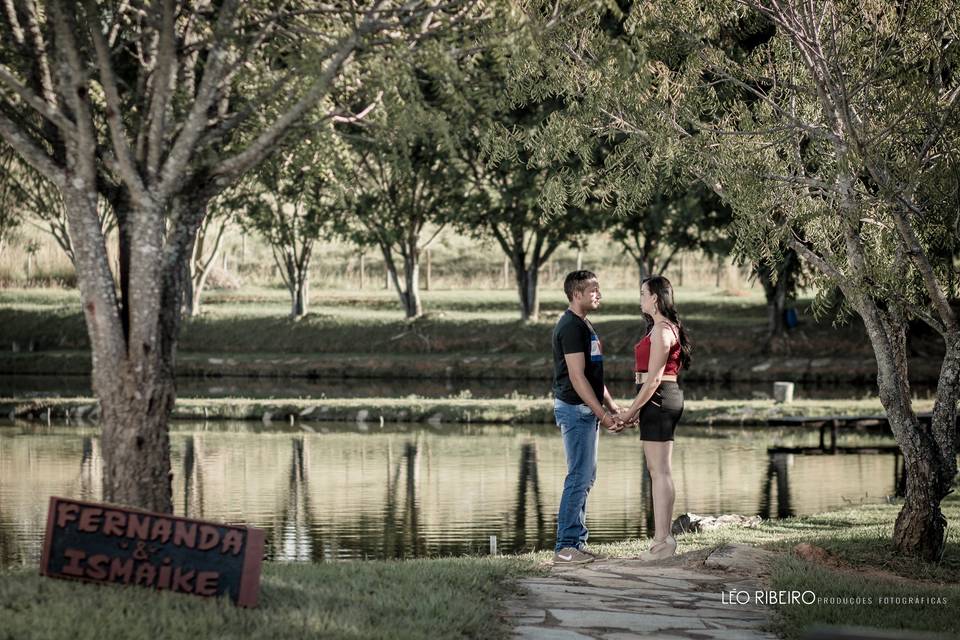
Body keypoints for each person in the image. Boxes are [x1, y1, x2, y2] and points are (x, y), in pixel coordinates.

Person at [612, 275, 691, 561]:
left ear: (655, 298)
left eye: (643, 293)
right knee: (656, 469)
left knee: (660, 471)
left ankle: (663, 542)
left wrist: (632, 411)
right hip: (655, 400)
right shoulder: (659, 328)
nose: (640, 298)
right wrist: (636, 410)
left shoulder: (662, 331)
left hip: (659, 398)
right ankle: (662, 540)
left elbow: (656, 377)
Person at [551, 270, 622, 564]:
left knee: (585, 476)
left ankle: (576, 544)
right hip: (576, 410)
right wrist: (602, 415)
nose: (598, 294)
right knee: (578, 477)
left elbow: (592, 376)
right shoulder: (570, 327)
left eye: (598, 289)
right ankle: (565, 548)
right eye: (592, 289)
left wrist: (612, 405)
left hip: (586, 410)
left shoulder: (583, 324)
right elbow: (577, 378)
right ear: (576, 293)